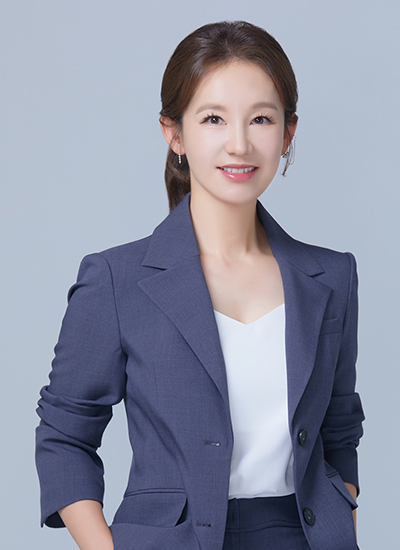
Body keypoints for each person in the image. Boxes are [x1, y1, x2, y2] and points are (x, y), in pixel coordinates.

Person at [35, 20, 365, 550]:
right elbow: (63, 436)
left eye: (261, 119)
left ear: (287, 134)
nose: (239, 143)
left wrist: (341, 525)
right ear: (175, 134)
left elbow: (339, 428)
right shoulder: (117, 280)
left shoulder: (332, 277)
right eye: (213, 118)